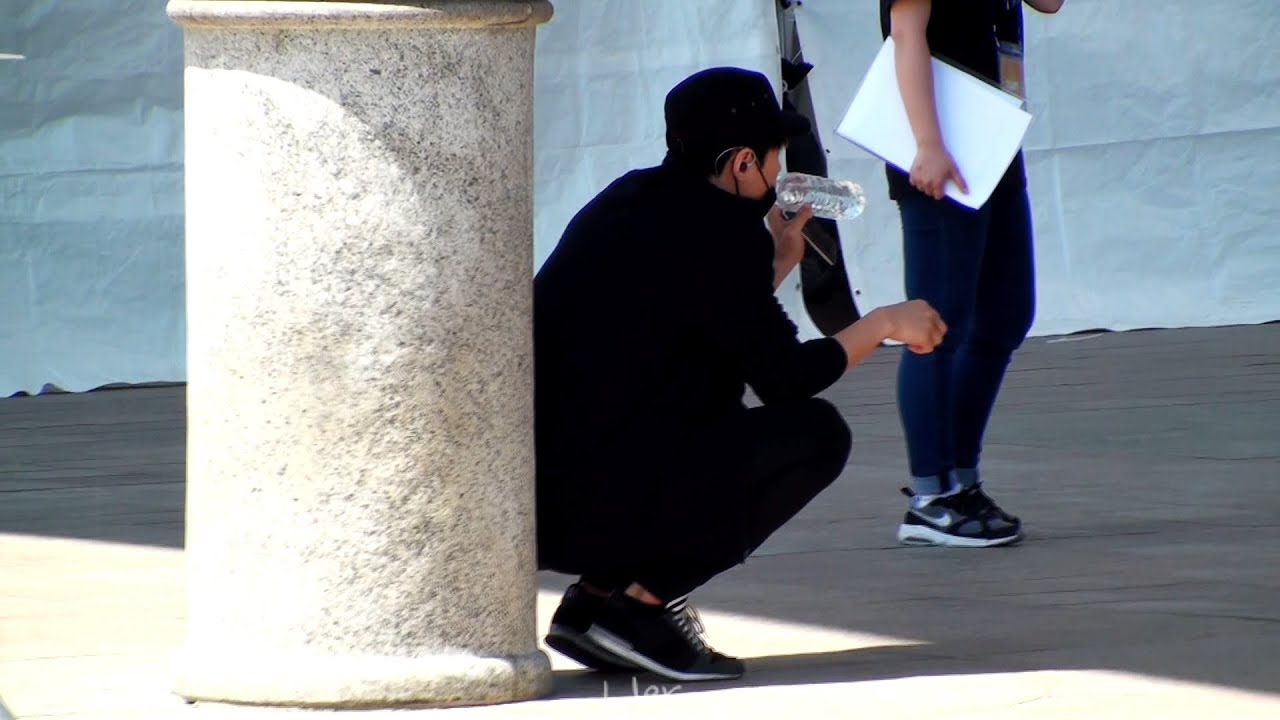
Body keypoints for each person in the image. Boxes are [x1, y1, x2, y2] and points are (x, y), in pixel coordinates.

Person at [533, 67, 947, 682]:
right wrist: (886, 321)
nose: (781, 174)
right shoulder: (719, 233)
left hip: (546, 499)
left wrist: (776, 259)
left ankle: (594, 603)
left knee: (699, 405)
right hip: (600, 501)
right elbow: (785, 377)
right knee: (814, 435)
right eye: (776, 158)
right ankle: (641, 608)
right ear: (744, 163)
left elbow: (702, 330)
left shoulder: (630, 198)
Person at [881, 0, 1063, 548]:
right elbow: (906, 33)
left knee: (1005, 313)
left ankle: (960, 478)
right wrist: (927, 145)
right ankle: (930, 495)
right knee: (936, 323)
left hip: (993, 138)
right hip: (939, 145)